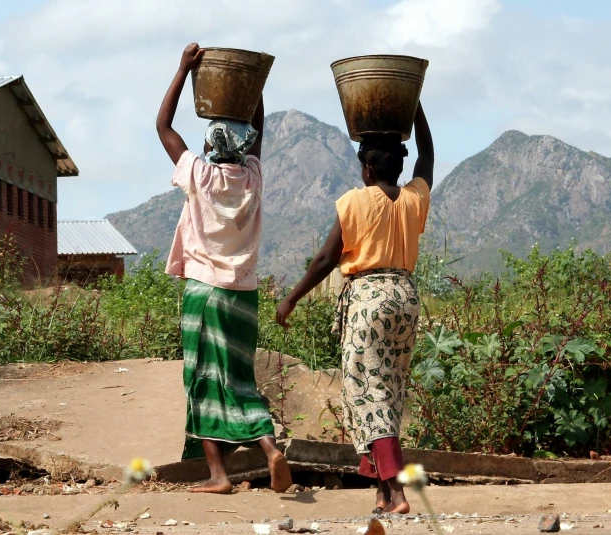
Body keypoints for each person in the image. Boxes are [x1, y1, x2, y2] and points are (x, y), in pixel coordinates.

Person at [276, 103, 434, 514]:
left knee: (370, 392)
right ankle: (382, 492)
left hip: (369, 300)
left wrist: (292, 298)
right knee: (388, 391)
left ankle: (397, 492)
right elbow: (428, 156)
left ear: (366, 170)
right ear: (398, 168)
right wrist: (414, 108)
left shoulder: (356, 202)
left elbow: (326, 259)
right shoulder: (414, 198)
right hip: (406, 297)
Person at [156, 42, 292, 494]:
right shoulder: (252, 176)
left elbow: (163, 126)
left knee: (203, 378)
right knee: (239, 376)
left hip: (205, 290)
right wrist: (252, 85)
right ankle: (270, 448)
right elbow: (259, 126)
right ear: (244, 146)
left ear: (210, 142)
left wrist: (182, 71)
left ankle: (218, 475)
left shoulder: (198, 174)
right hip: (243, 295)